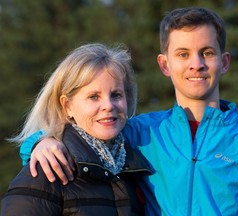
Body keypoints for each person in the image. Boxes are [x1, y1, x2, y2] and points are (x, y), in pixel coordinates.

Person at [17, 7, 238, 215]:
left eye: (207, 52)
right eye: (183, 54)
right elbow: (81, 135)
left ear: (224, 61)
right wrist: (41, 142)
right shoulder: (137, 133)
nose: (196, 64)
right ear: (164, 64)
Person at [1, 43, 153, 216]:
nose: (108, 106)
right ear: (67, 106)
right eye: (94, 97)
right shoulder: (47, 168)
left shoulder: (134, 172)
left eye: (116, 95)